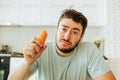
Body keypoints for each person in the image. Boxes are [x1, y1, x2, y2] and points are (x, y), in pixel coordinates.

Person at [8, 9, 116, 80]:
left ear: (81, 36)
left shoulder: (89, 50)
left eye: (75, 32)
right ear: (56, 29)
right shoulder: (41, 50)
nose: (66, 37)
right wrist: (28, 62)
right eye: (63, 29)